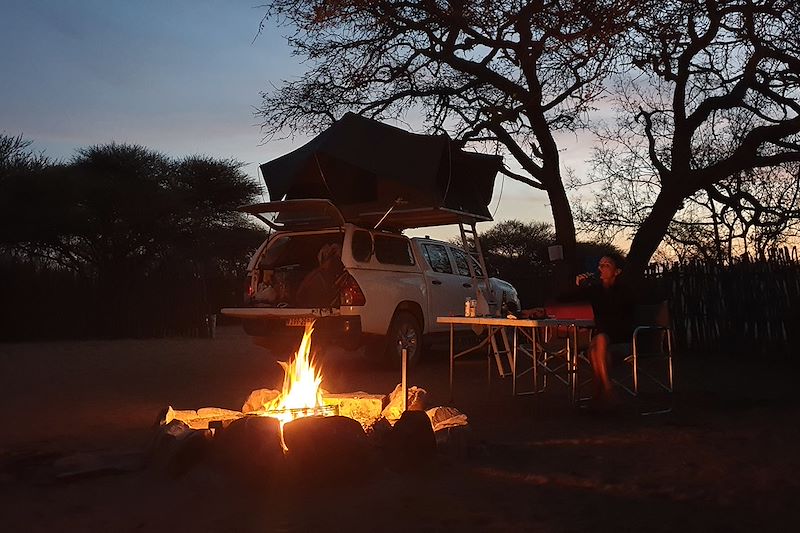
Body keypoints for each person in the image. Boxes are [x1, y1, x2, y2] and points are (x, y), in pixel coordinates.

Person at [573, 253, 635, 405]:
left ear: (617, 271)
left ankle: (603, 392)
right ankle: (604, 396)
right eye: (600, 265)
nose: (601, 268)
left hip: (624, 341)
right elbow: (575, 301)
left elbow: (619, 318)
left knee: (598, 342)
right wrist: (580, 286)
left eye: (606, 265)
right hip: (604, 343)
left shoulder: (624, 291)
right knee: (598, 348)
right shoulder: (596, 291)